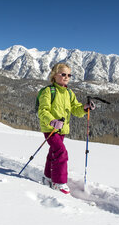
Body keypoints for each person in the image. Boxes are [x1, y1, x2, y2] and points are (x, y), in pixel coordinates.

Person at [37, 63, 94, 194]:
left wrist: (84, 108)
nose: (66, 77)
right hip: (50, 129)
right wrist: (52, 121)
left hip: (62, 129)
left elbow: (75, 109)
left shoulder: (69, 93)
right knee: (61, 152)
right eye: (63, 74)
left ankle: (47, 177)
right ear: (54, 75)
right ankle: (59, 182)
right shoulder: (48, 91)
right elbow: (42, 110)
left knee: (54, 152)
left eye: (69, 75)